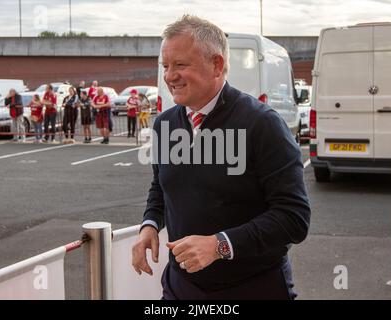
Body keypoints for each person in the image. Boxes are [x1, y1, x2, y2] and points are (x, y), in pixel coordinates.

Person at [131, 15, 310, 300]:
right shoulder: (164, 124)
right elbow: (161, 187)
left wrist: (220, 245)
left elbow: (294, 218)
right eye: (165, 66)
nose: (168, 76)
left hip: (254, 286)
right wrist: (150, 225)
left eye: (180, 65)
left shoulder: (262, 124)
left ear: (216, 64)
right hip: (181, 287)